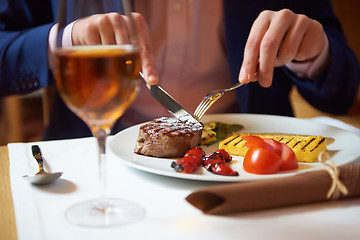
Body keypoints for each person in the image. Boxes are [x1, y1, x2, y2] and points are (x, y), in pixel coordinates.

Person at [0, 0, 359, 140]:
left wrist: (314, 55)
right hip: (96, 156)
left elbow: (343, 89)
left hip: (253, 163)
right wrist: (62, 41)